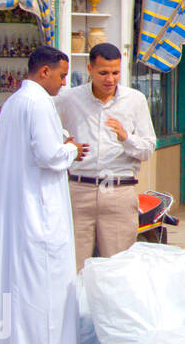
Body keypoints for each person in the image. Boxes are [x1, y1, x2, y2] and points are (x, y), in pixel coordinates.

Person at [0, 47, 92, 344]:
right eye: (60, 75)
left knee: (17, 286)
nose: (63, 83)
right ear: (43, 72)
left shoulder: (13, 103)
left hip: (17, 212)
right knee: (47, 289)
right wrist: (73, 149)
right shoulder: (39, 103)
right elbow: (47, 155)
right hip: (39, 212)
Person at [55, 42, 158, 269]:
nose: (109, 79)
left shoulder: (135, 100)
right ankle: (76, 305)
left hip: (118, 191)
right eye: (103, 73)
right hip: (79, 191)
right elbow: (47, 130)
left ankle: (112, 305)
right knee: (72, 266)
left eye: (115, 73)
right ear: (90, 70)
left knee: (117, 266)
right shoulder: (69, 99)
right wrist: (64, 144)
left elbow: (148, 148)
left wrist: (125, 137)